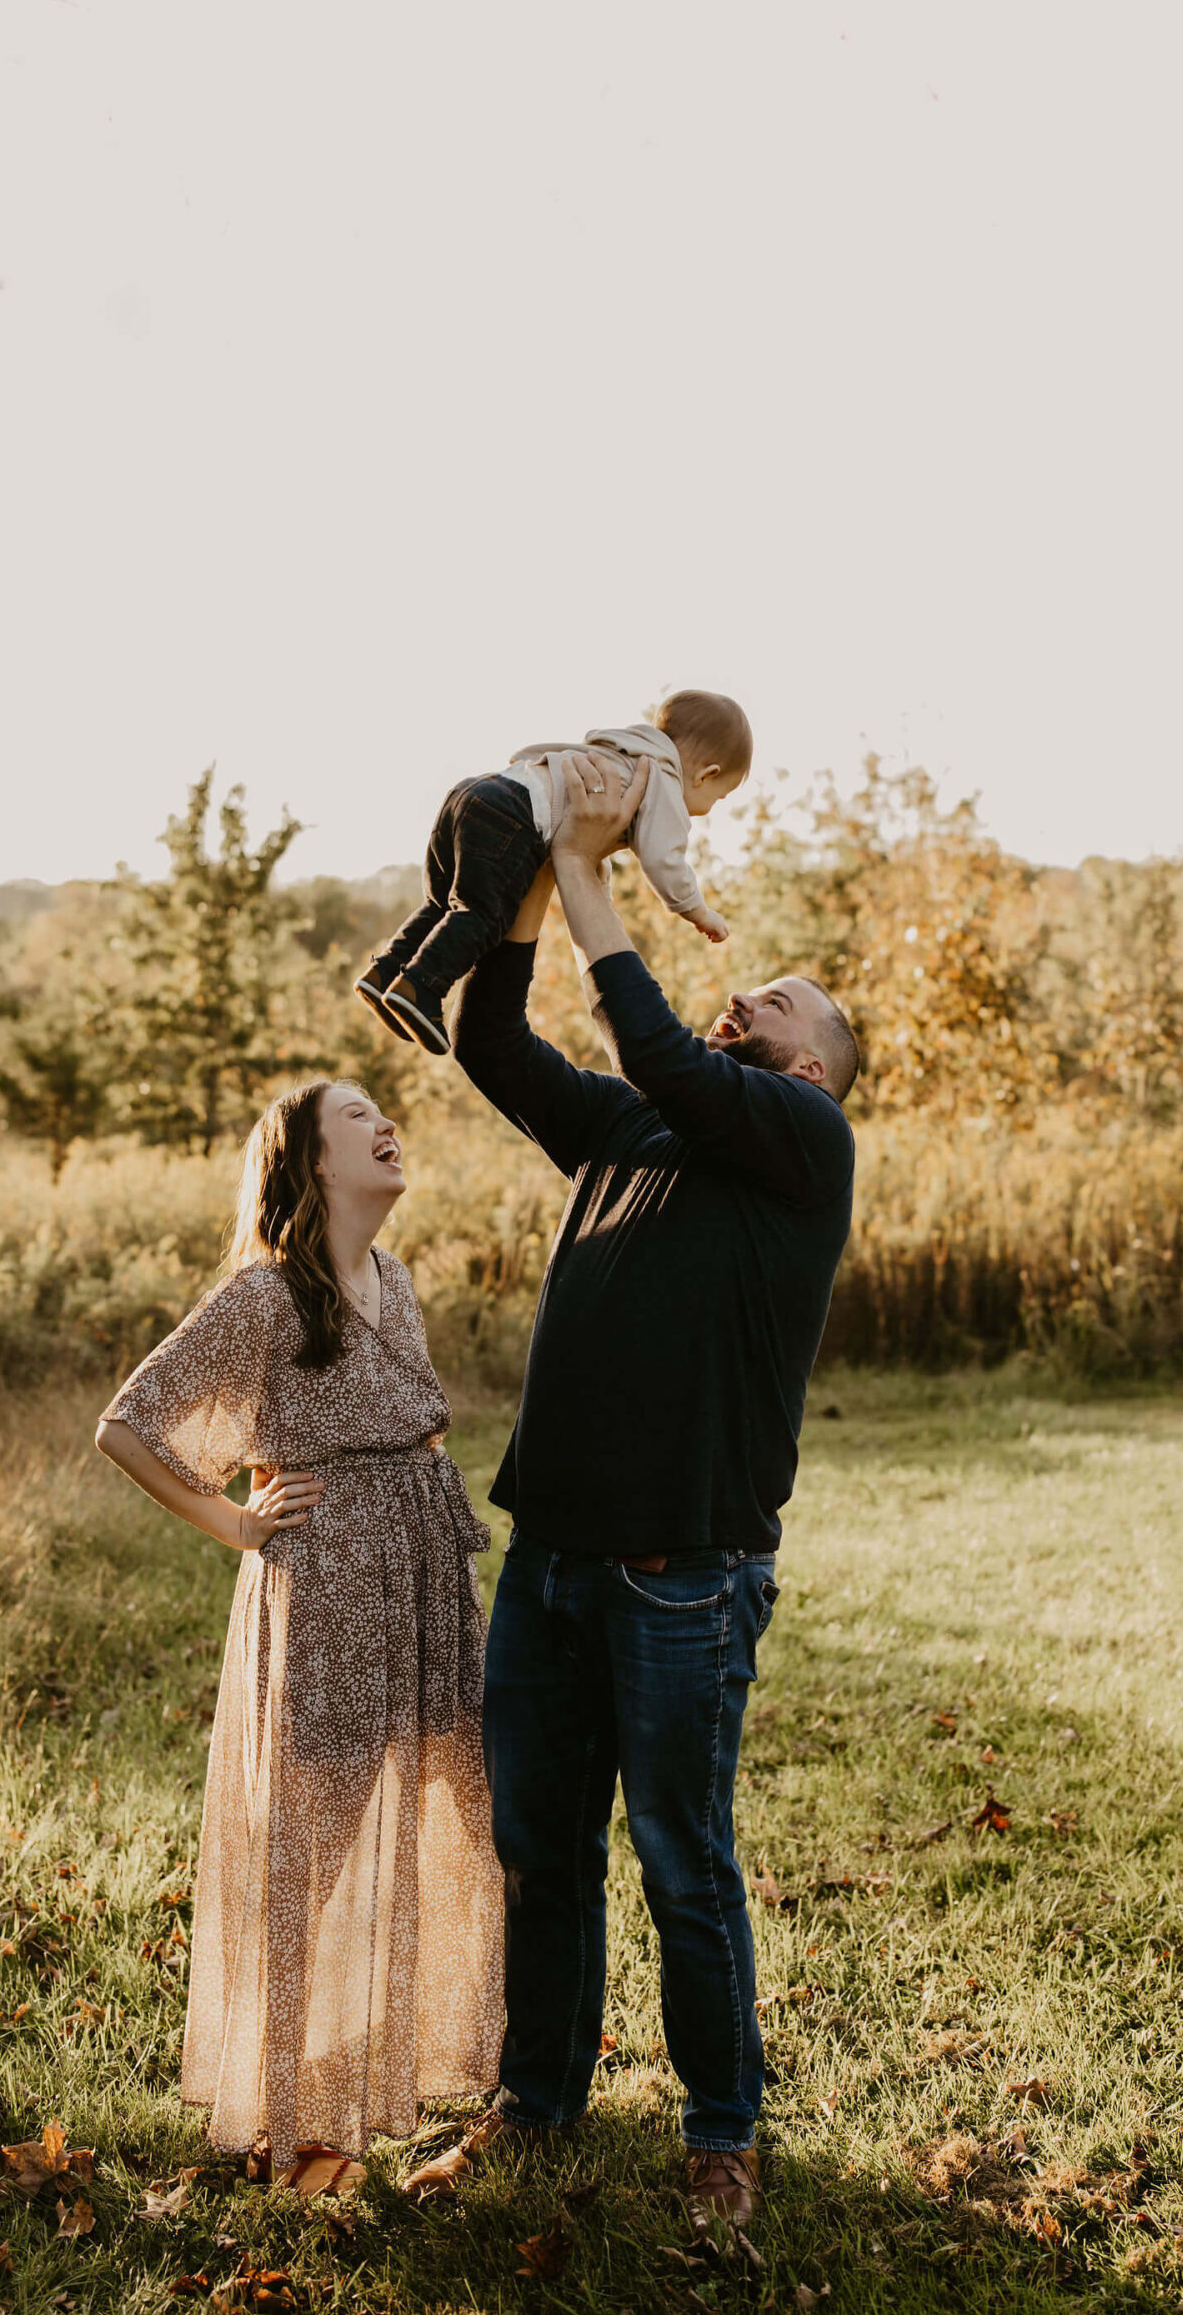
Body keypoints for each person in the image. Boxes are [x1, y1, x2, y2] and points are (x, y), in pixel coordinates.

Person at [406, 751, 857, 2233]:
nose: (747, 999)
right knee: (540, 1852)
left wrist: (594, 872)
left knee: (679, 1859)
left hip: (683, 1569)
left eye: (776, 1000)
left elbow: (663, 1046)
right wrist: (528, 889)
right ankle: (534, 2106)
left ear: (808, 1065)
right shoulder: (629, 1131)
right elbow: (492, 1049)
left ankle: (718, 2132)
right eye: (752, 988)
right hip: (550, 1562)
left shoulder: (801, 1144)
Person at [95, 1081, 503, 2196]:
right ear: (312, 1161)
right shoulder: (268, 1297)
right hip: (324, 1591)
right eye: (359, 1117)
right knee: (315, 1855)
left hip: (417, 1579)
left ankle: (378, 2087)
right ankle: (288, 2120)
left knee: (428, 1827)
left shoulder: (397, 1280)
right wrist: (231, 1519)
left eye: (387, 1110)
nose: (388, 1125)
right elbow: (129, 1421)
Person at [354, 688, 752, 1056]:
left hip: (478, 792)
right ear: (707, 774)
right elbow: (664, 857)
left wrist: (599, 898)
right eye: (717, 798)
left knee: (444, 903)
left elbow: (593, 848)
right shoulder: (663, 780)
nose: (707, 808)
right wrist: (697, 910)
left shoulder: (621, 749)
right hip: (516, 817)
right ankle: (421, 988)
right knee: (484, 913)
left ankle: (386, 971)